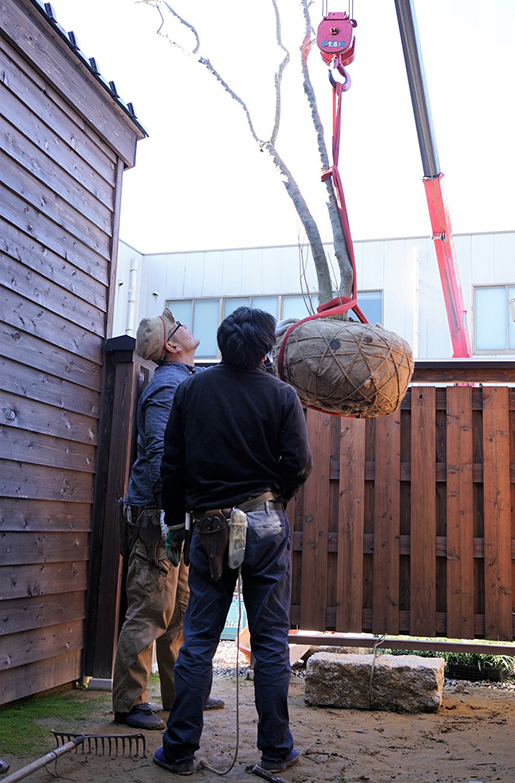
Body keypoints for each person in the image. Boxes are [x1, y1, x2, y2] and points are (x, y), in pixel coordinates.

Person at [153, 307, 313, 776]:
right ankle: (276, 751)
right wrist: (275, 495)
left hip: (208, 527)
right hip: (265, 522)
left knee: (199, 639)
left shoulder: (190, 390)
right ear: (266, 349)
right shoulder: (283, 395)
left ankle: (179, 750)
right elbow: (299, 462)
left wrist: (175, 522)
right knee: (268, 642)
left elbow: (173, 464)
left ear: (224, 344)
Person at [113, 306, 224, 732]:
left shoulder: (185, 382)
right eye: (178, 327)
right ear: (172, 346)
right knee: (150, 607)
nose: (186, 327)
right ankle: (129, 703)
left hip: (173, 514)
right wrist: (170, 514)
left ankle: (180, 694)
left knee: (178, 608)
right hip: (156, 516)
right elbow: (159, 455)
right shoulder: (165, 389)